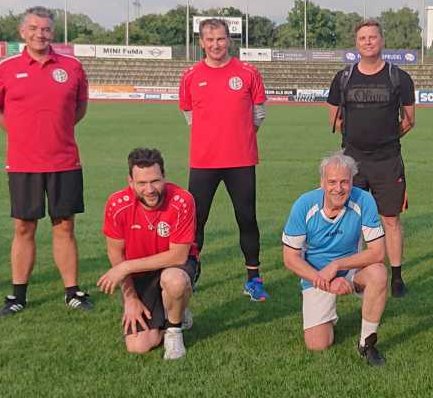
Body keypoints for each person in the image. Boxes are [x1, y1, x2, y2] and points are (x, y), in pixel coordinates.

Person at [0, 6, 93, 316]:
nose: (40, 34)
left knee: (64, 227)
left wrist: (57, 131)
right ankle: (18, 295)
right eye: (33, 28)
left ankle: (72, 292)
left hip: (64, 161)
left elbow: (80, 108)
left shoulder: (72, 67)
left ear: (52, 33)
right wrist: (20, 133)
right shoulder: (6, 68)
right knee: (23, 228)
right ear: (23, 32)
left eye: (45, 29)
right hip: (23, 163)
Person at [178, 18, 269, 301]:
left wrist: (238, 136)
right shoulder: (191, 75)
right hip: (204, 161)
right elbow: (190, 116)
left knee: (246, 218)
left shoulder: (247, 72)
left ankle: (253, 277)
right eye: (209, 39)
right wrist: (213, 138)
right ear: (201, 42)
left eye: (220, 38)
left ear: (229, 40)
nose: (215, 44)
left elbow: (259, 114)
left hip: (241, 160)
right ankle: (189, 272)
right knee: (196, 221)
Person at [326, 19, 416, 298]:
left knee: (390, 219)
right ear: (357, 43)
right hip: (352, 162)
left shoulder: (398, 77)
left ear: (382, 41)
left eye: (373, 37)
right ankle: (354, 272)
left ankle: (397, 276)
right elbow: (335, 118)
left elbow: (409, 120)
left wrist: (384, 139)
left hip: (388, 160)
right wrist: (359, 140)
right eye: (363, 38)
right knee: (350, 218)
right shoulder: (344, 77)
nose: (368, 42)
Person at [282, 151, 390, 366]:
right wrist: (328, 282)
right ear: (322, 182)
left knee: (379, 272)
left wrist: (338, 265)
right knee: (318, 344)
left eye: (344, 182)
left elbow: (378, 252)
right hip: (317, 274)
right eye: (332, 182)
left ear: (352, 181)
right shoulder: (304, 205)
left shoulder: (364, 200)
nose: (338, 188)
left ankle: (367, 343)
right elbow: (290, 258)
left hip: (351, 269)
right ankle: (327, 315)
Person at [98, 148, 197, 360]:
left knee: (174, 281)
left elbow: (178, 256)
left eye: (155, 181)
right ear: (130, 181)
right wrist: (130, 298)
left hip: (175, 266)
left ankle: (174, 330)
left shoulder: (182, 200)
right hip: (141, 273)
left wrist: (125, 267)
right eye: (142, 183)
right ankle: (175, 309)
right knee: (139, 346)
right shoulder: (117, 205)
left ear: (164, 176)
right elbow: (116, 254)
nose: (150, 189)